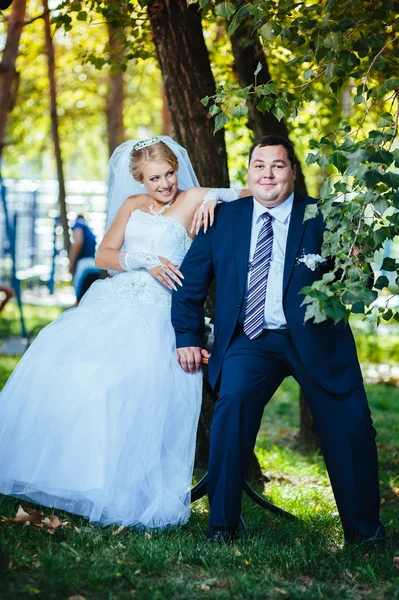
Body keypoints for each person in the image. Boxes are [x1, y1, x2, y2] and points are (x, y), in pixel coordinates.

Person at [0, 136, 243, 529]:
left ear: (175, 169)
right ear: (140, 180)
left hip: (162, 311)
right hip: (116, 300)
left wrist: (216, 198)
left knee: (134, 389)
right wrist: (144, 259)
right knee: (73, 373)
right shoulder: (132, 205)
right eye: (153, 178)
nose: (164, 184)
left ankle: (126, 491)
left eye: (168, 174)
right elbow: (104, 255)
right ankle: (79, 480)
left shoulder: (195, 195)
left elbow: (251, 192)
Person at [171, 135, 386, 546]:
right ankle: (222, 525)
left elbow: (358, 283)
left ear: (292, 172)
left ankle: (365, 534)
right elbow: (190, 285)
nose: (268, 173)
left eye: (278, 165)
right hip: (251, 340)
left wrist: (358, 263)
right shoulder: (223, 218)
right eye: (259, 165)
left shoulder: (324, 217)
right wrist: (187, 335)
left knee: (353, 426)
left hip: (317, 342)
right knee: (232, 409)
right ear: (248, 172)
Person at [68, 214, 103, 303]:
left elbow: (78, 242)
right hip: (94, 266)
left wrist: (71, 263)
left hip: (84, 267)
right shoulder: (89, 230)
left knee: (80, 299)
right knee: (90, 300)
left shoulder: (78, 226)